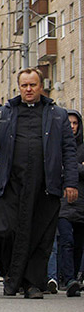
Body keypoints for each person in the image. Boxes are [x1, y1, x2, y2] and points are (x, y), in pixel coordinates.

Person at [0, 68, 79, 299]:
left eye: (33, 85)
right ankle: (11, 275)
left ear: (40, 86)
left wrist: (71, 182)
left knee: (40, 236)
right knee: (2, 232)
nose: (28, 89)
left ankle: (32, 284)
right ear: (19, 87)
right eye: (24, 85)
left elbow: (69, 150)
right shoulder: (6, 112)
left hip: (45, 185)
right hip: (12, 183)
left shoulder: (57, 114)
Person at [57, 109, 84, 296]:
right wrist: (78, 168)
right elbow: (55, 168)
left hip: (82, 203)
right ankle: (67, 279)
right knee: (66, 240)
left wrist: (70, 169)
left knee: (79, 244)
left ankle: (75, 277)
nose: (72, 127)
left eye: (75, 123)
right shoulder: (57, 145)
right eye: (69, 123)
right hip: (63, 202)